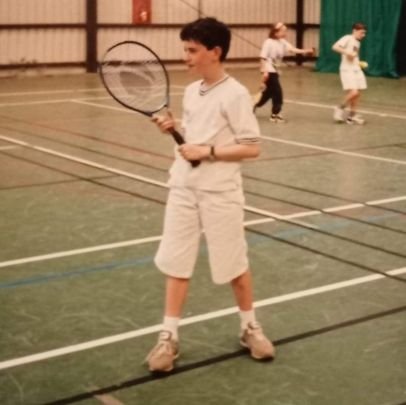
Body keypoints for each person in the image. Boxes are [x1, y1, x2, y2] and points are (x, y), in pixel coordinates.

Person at [146, 17, 275, 373]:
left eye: (192, 50)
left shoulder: (234, 94)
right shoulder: (191, 91)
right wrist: (176, 129)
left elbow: (251, 147)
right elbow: (196, 135)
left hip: (220, 192)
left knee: (235, 264)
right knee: (177, 262)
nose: (185, 57)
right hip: (183, 189)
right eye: (185, 49)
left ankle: (250, 327)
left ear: (215, 52)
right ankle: (168, 337)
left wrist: (210, 152)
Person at [253, 22, 314, 123]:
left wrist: (306, 51)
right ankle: (275, 114)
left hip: (275, 70)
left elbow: (293, 49)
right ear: (276, 32)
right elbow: (262, 58)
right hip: (268, 70)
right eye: (283, 30)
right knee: (278, 92)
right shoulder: (268, 42)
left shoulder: (282, 42)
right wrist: (264, 71)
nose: (285, 32)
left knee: (268, 93)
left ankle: (253, 104)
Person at [332, 22, 367, 124]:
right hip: (347, 70)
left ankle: (352, 116)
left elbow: (352, 56)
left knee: (357, 94)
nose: (363, 35)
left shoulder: (358, 42)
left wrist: (358, 62)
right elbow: (335, 47)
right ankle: (339, 108)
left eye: (364, 33)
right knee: (353, 92)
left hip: (356, 69)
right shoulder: (347, 38)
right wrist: (348, 53)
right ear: (354, 31)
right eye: (362, 33)